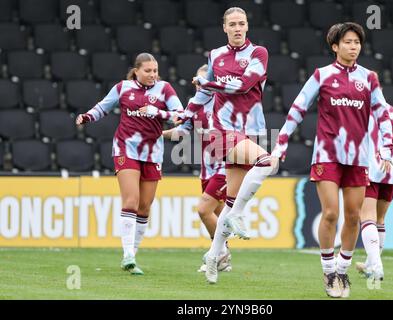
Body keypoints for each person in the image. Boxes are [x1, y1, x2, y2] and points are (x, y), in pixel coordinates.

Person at [271, 22, 393, 298]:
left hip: (358, 158)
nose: (353, 47)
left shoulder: (369, 78)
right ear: (335, 46)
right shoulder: (322, 75)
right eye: (348, 42)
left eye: (357, 42)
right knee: (330, 213)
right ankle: (328, 270)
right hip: (327, 154)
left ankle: (342, 269)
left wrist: (386, 148)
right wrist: (281, 142)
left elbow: (383, 115)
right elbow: (298, 107)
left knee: (353, 217)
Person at [179, 7, 275, 284]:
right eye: (232, 24)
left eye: (241, 23)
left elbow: (245, 86)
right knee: (266, 162)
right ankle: (240, 216)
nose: (237, 28)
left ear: (247, 26)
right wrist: (185, 116)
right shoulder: (216, 55)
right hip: (222, 131)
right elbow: (204, 93)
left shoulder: (259, 54)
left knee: (229, 205)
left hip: (252, 132)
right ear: (224, 28)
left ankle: (214, 255)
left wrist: (208, 82)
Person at [76, 53, 183, 275]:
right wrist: (86, 117)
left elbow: (181, 117)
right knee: (131, 200)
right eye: (148, 71)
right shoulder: (122, 88)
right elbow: (103, 107)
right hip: (126, 148)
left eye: (155, 71)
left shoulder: (164, 89)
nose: (153, 75)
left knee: (145, 206)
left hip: (153, 152)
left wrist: (158, 112)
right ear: (136, 71)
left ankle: (133, 253)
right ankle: (128, 255)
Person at [163, 64, 231, 273]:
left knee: (203, 210)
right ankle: (223, 258)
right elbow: (182, 133)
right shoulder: (196, 107)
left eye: (204, 83)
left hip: (225, 167)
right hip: (206, 170)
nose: (200, 88)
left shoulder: (226, 106)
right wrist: (159, 134)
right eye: (198, 84)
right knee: (219, 218)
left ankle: (217, 255)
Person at [356, 103, 393, 282]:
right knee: (379, 219)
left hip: (369, 167)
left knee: (367, 217)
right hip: (391, 170)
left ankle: (376, 265)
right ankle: (370, 264)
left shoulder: (360, 109)